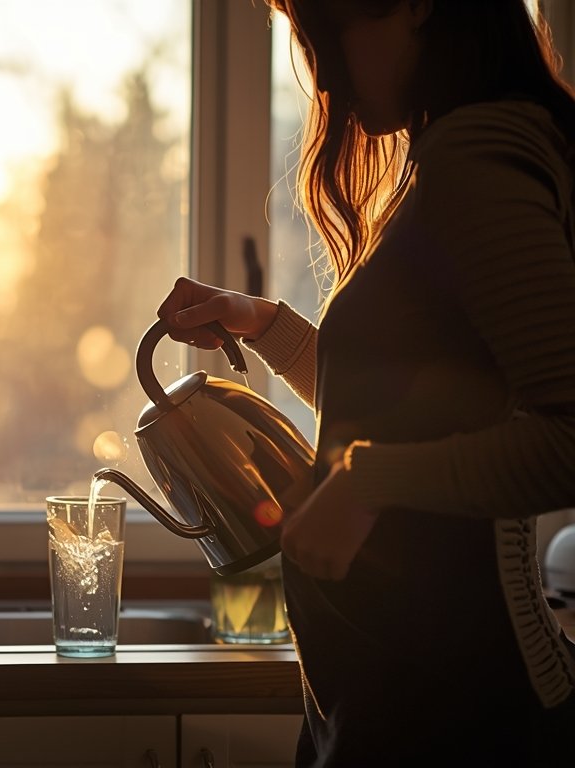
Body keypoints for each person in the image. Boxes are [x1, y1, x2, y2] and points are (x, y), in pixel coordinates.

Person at [157, 0, 575, 764]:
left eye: (321, 35)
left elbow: (569, 435)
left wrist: (365, 483)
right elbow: (408, 407)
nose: (319, 78)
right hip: (392, 696)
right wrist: (264, 323)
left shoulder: (479, 155)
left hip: (470, 712)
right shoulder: (454, 151)